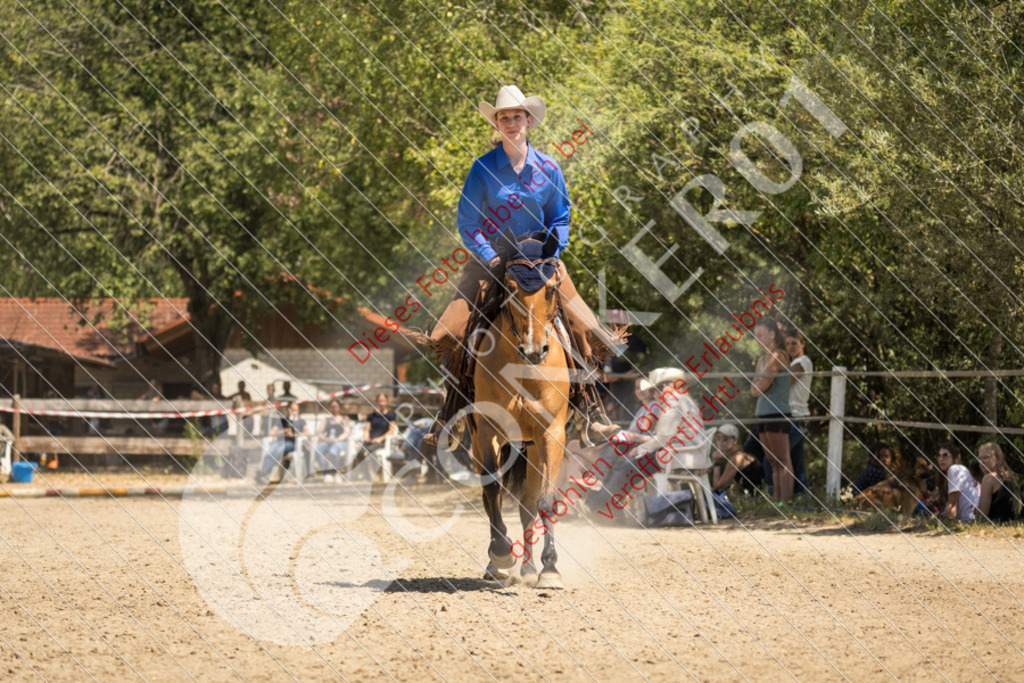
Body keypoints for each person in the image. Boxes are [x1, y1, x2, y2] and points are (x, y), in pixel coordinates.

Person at [425, 84, 620, 445]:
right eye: (504, 117)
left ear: (529, 121)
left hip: (541, 258)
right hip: (491, 260)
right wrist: (491, 257)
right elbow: (468, 222)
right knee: (445, 335)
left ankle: (592, 411)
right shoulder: (482, 168)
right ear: (496, 124)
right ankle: (449, 411)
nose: (511, 122)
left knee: (586, 327)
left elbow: (560, 216)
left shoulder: (549, 166)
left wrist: (552, 253)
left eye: (517, 116)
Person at [585, 368, 705, 517]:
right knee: (628, 468)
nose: (655, 394)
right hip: (685, 453)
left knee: (628, 468)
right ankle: (608, 509)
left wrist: (639, 450)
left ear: (671, 385)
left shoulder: (672, 403)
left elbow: (662, 438)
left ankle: (595, 505)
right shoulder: (684, 400)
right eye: (653, 390)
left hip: (677, 455)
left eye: (657, 389)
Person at [750, 320, 793, 503]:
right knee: (772, 461)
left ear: (772, 334)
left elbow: (763, 385)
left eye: (761, 334)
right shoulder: (761, 359)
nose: (757, 339)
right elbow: (753, 390)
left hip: (777, 412)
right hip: (762, 412)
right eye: (755, 335)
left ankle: (786, 501)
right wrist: (759, 384)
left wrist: (759, 384)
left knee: (783, 459)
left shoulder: (778, 355)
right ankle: (776, 500)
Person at [785, 329, 812, 494]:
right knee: (796, 462)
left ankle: (779, 494)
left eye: (794, 343)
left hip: (798, 417)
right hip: (793, 416)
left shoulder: (803, 361)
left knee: (776, 458)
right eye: (787, 343)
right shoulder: (792, 363)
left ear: (803, 344)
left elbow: (786, 380)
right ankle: (802, 497)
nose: (790, 347)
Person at [256, 401, 309, 484]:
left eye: (296, 410)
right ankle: (265, 476)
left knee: (278, 451)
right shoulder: (283, 420)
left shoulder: (301, 421)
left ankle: (263, 473)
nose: (294, 412)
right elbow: (271, 433)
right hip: (280, 441)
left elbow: (308, 433)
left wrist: (294, 435)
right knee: (269, 453)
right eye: (292, 410)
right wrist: (283, 432)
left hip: (292, 443)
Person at [712, 423, 764, 496]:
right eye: (718, 438)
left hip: (755, 497)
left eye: (725, 439)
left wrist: (716, 464)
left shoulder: (736, 458)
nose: (720, 442)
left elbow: (718, 488)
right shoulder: (740, 454)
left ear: (735, 441)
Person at [975, 442, 1021, 523]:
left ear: (998, 459)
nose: (982, 461)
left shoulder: (989, 478)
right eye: (980, 458)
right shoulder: (1012, 476)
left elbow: (983, 513)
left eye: (986, 457)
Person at [936, 442, 979, 521]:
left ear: (954, 457)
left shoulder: (955, 469)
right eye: (939, 455)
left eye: (945, 455)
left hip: (969, 519)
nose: (940, 459)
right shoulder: (958, 470)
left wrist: (944, 523)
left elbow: (953, 504)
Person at [353, 393, 396, 469]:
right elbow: (366, 429)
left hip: (382, 442)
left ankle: (374, 472)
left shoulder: (390, 416)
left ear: (387, 402)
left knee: (370, 450)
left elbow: (391, 431)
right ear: (376, 402)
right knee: (360, 451)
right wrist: (366, 437)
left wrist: (380, 439)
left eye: (383, 401)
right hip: (370, 440)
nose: (381, 403)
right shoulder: (372, 416)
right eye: (380, 401)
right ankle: (359, 470)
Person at [314, 399, 351, 475]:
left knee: (332, 452)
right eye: (332, 407)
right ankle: (326, 473)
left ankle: (336, 472)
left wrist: (337, 439)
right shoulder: (325, 420)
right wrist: (326, 439)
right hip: (328, 442)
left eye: (335, 407)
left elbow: (347, 433)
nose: (334, 409)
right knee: (318, 451)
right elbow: (319, 433)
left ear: (339, 407)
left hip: (340, 442)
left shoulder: (344, 419)